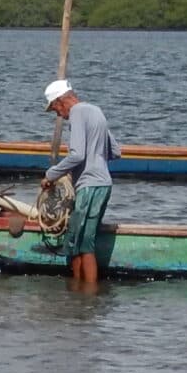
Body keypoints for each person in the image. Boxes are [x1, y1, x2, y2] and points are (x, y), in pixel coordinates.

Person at [42, 77, 117, 288]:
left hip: (88, 187)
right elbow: (115, 151)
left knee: (75, 244)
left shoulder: (76, 114)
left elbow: (77, 155)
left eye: (55, 109)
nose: (58, 114)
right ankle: (88, 298)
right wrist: (96, 158)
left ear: (61, 101)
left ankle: (77, 295)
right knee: (88, 243)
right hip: (104, 185)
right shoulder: (96, 111)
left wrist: (51, 175)